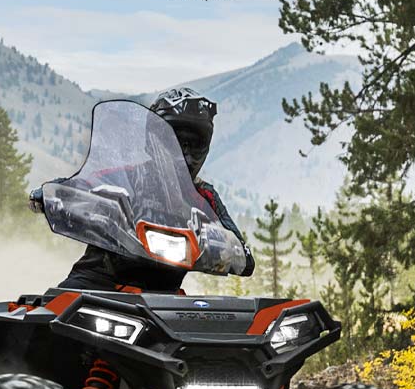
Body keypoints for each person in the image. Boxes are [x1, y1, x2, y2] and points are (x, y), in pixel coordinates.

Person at [34, 87, 254, 292]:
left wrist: (218, 244)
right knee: (56, 307)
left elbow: (244, 256)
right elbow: (79, 184)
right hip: (99, 283)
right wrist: (53, 195)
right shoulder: (125, 177)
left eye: (194, 143)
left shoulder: (205, 197)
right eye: (176, 141)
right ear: (153, 140)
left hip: (162, 296)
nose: (185, 153)